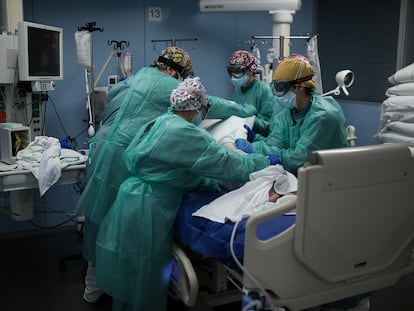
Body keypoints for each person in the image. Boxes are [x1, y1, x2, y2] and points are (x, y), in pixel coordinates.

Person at [76, 46, 261, 303]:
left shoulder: (134, 80)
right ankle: (125, 286)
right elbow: (210, 106)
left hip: (102, 149)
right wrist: (244, 111)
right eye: (183, 76)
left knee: (103, 222)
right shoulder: (168, 91)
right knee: (124, 232)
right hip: (123, 160)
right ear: (173, 71)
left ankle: (95, 286)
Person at [235, 55, 349, 175]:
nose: (276, 94)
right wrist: (256, 140)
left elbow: (299, 159)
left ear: (299, 87)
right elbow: (276, 145)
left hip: (332, 179)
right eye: (275, 87)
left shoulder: (323, 116)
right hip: (301, 177)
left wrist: (268, 154)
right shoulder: (287, 112)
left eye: (280, 88)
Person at [227, 49, 282, 137]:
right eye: (232, 71)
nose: (234, 76)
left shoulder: (264, 90)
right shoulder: (237, 94)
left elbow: (270, 125)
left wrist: (249, 120)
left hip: (259, 141)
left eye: (237, 71)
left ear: (250, 71)